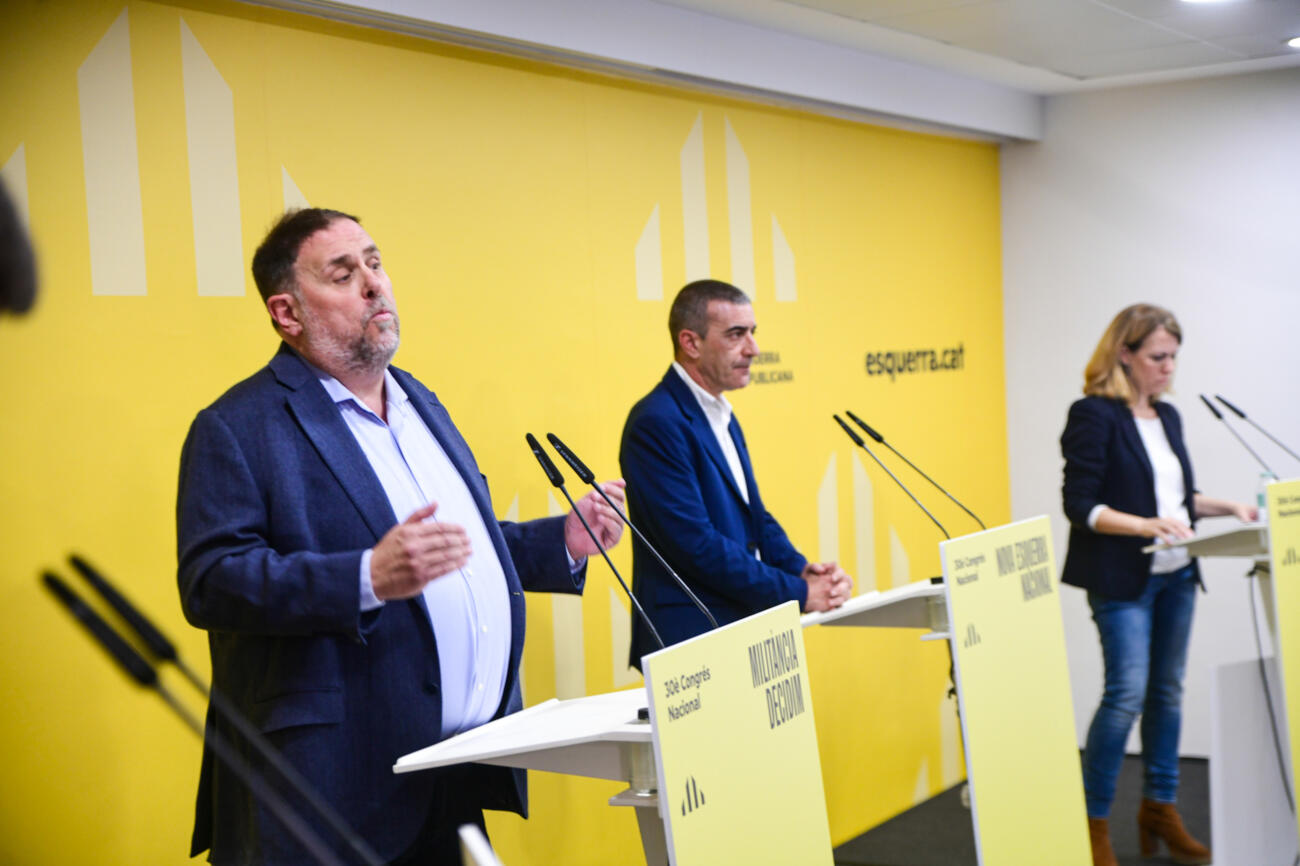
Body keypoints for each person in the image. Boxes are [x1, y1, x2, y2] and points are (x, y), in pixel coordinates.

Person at [176, 207, 625, 865]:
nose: (373, 284)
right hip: (326, 792)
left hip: (449, 771)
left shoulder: (421, 403)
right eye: (343, 273)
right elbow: (212, 582)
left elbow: (450, 548)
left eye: (376, 263)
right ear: (287, 313)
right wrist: (363, 578)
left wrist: (562, 542)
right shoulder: (238, 425)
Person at [1060, 303, 1255, 866]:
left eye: (1174, 357)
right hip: (1122, 580)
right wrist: (1144, 524)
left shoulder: (1167, 417)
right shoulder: (1092, 415)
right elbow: (1081, 506)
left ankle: (1159, 810)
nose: (1169, 368)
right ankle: (1093, 822)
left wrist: (1230, 507)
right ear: (1125, 354)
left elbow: (1176, 503)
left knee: (1167, 694)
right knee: (1124, 695)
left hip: (1176, 578)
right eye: (1158, 357)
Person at [619, 279, 852, 667]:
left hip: (741, 627)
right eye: (736, 335)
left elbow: (752, 516)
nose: (753, 349)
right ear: (691, 343)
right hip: (692, 642)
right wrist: (796, 591)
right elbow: (696, 545)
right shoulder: (656, 422)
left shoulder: (722, 413)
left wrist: (799, 568)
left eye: (753, 333)